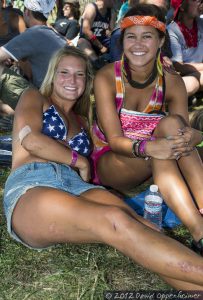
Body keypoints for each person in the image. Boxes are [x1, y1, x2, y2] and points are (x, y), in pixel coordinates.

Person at [3, 45, 203, 290]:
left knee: (149, 228)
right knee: (115, 219)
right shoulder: (34, 97)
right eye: (64, 72)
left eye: (79, 75)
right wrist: (80, 161)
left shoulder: (84, 120)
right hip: (32, 183)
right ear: (52, 75)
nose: (71, 80)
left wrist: (159, 69)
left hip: (76, 187)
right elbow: (31, 140)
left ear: (87, 81)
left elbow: (129, 119)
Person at [91, 4, 203, 253]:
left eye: (147, 36)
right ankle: (200, 231)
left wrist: (197, 136)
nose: (138, 44)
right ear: (123, 39)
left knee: (173, 126)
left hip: (157, 158)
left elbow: (182, 137)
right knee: (161, 149)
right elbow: (115, 140)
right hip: (113, 161)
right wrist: (151, 146)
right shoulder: (108, 77)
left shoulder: (172, 82)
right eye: (131, 36)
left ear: (161, 40)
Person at [0, 0, 67, 88]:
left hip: (45, 93)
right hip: (58, 89)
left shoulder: (32, 34)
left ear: (27, 12)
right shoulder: (54, 34)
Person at [167, 0, 203, 97]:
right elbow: (179, 66)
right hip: (182, 76)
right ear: (182, 7)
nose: (200, 2)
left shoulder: (200, 23)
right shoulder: (172, 30)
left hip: (198, 72)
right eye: (195, 0)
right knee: (192, 84)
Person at [78, 0, 116, 66]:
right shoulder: (91, 7)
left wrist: (110, 32)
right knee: (82, 42)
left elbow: (111, 31)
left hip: (104, 42)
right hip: (90, 41)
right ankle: (97, 63)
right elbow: (86, 30)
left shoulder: (112, 12)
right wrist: (101, 47)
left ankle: (118, 69)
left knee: (116, 42)